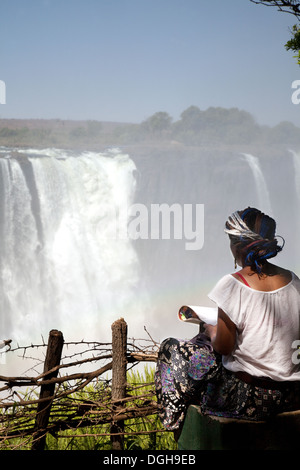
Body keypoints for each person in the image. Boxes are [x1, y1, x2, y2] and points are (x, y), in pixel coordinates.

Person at [155, 207, 300, 432]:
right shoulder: (294, 282)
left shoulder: (233, 285)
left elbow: (223, 346)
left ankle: (174, 427)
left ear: (237, 246)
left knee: (171, 348)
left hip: (250, 399)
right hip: (293, 394)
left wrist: (210, 330)